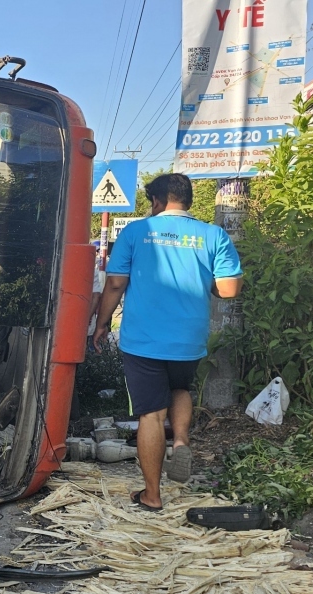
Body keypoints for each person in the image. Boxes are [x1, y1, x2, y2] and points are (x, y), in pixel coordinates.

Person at [93, 173, 242, 511]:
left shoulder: (135, 232)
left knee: (150, 414)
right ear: (187, 201)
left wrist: (102, 324)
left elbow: (115, 285)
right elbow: (229, 289)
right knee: (180, 389)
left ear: (157, 202)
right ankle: (181, 439)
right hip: (189, 337)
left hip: (144, 339)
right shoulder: (213, 235)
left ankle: (152, 495)